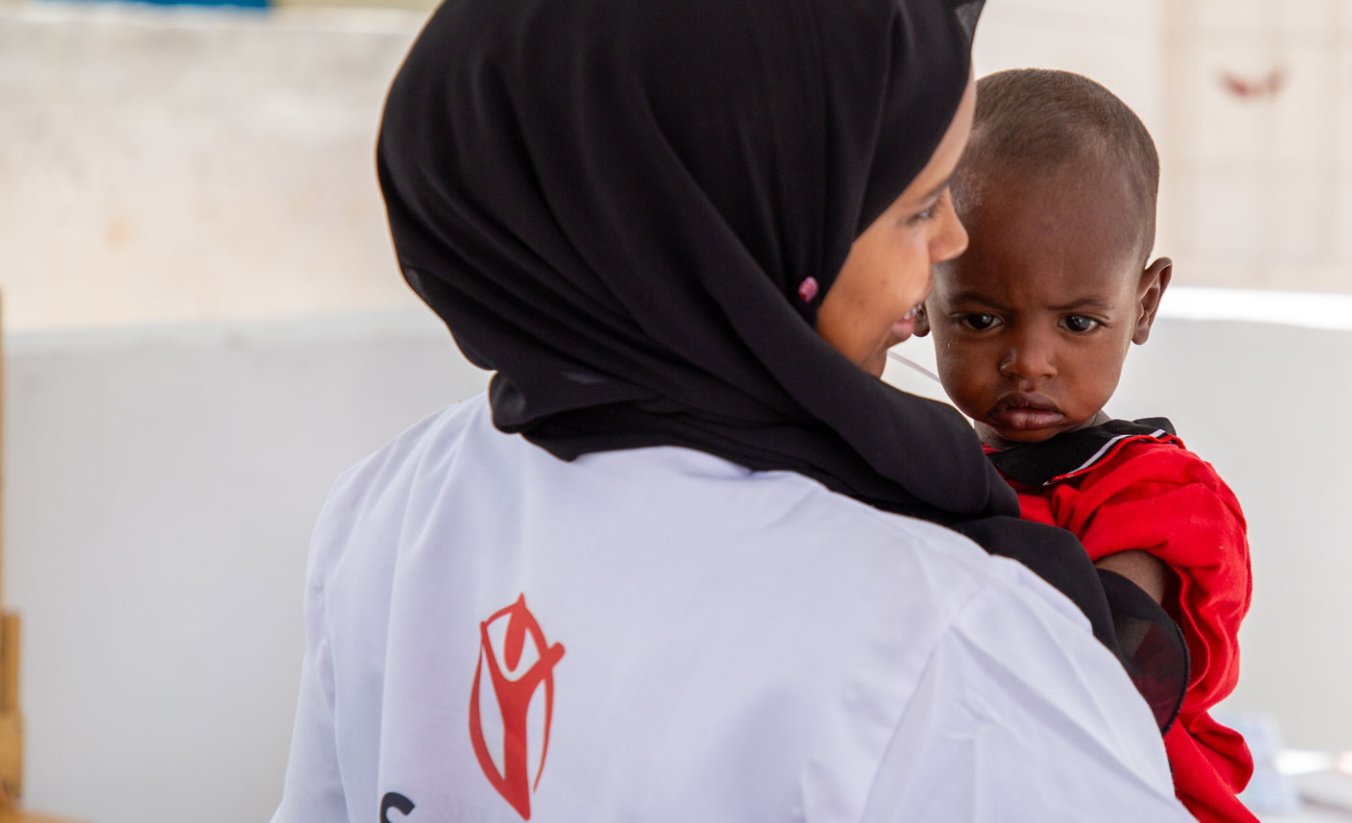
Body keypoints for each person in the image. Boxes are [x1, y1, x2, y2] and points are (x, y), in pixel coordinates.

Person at [269, 1, 1191, 820]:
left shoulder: (393, 507)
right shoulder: (948, 637)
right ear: (740, 233)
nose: (953, 239)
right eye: (916, 209)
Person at [917, 68, 1258, 822]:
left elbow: (1104, 671)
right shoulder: (929, 466)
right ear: (921, 294)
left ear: (1143, 302)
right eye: (979, 319)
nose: (1029, 360)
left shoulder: (1152, 493)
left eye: (1076, 323)